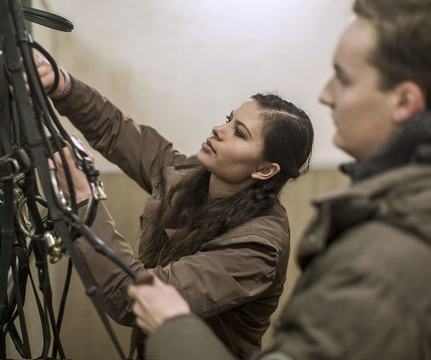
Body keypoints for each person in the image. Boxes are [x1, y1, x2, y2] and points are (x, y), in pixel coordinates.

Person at [127, 0, 431, 359]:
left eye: (344, 78)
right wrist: (62, 85)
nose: (325, 95)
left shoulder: (384, 258)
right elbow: (124, 136)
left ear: (404, 101)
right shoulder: (388, 214)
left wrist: (172, 328)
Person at [35, 54, 314, 358]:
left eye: (239, 132)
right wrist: (61, 85)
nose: (219, 128)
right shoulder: (192, 176)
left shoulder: (257, 247)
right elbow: (118, 133)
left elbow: (135, 297)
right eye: (228, 119)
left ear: (264, 170)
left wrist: (83, 200)